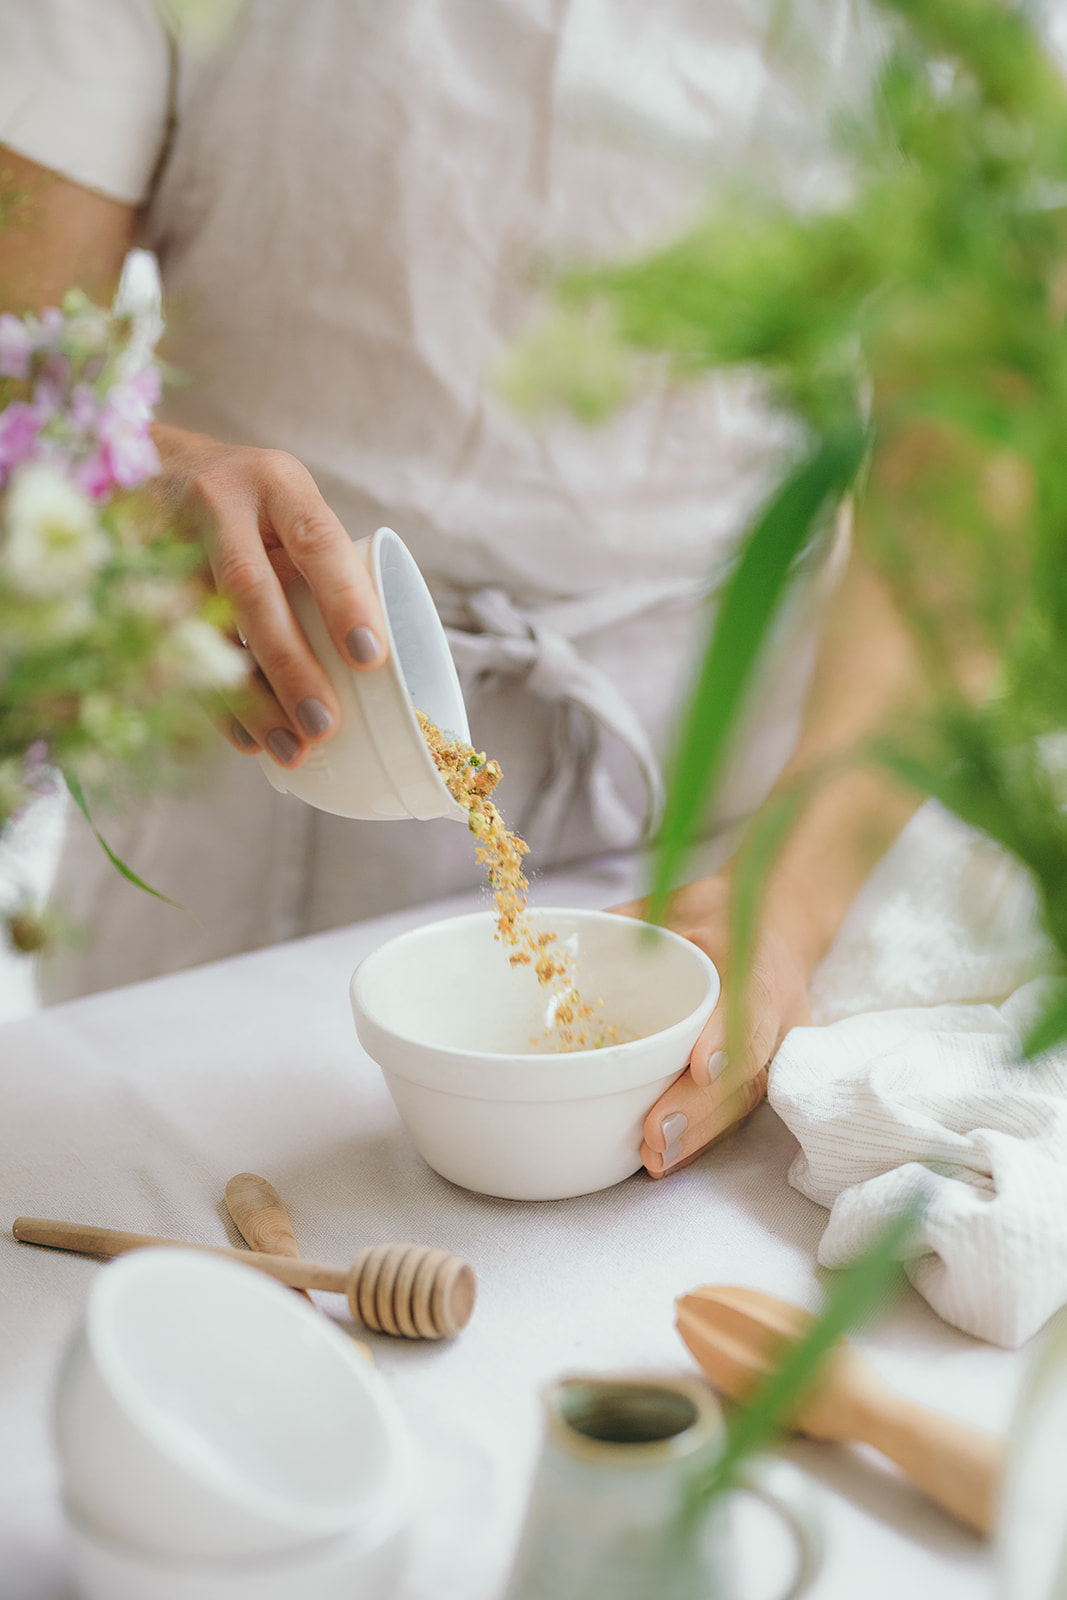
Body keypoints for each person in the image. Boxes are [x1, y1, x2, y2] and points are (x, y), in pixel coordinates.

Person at [0, 0, 921, 1177]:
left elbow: (967, 470)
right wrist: (138, 485)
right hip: (246, 780)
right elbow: (21, 351)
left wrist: (785, 895)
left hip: (716, 815)